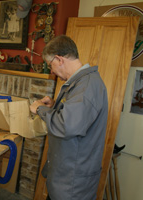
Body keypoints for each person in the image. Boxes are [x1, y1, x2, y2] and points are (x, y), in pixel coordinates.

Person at [30, 35, 108, 200]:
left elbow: (66, 126)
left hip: (73, 185)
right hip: (65, 177)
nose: (51, 71)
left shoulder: (86, 86)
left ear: (59, 59)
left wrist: (40, 110)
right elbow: (74, 116)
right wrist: (54, 107)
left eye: (50, 65)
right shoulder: (79, 83)